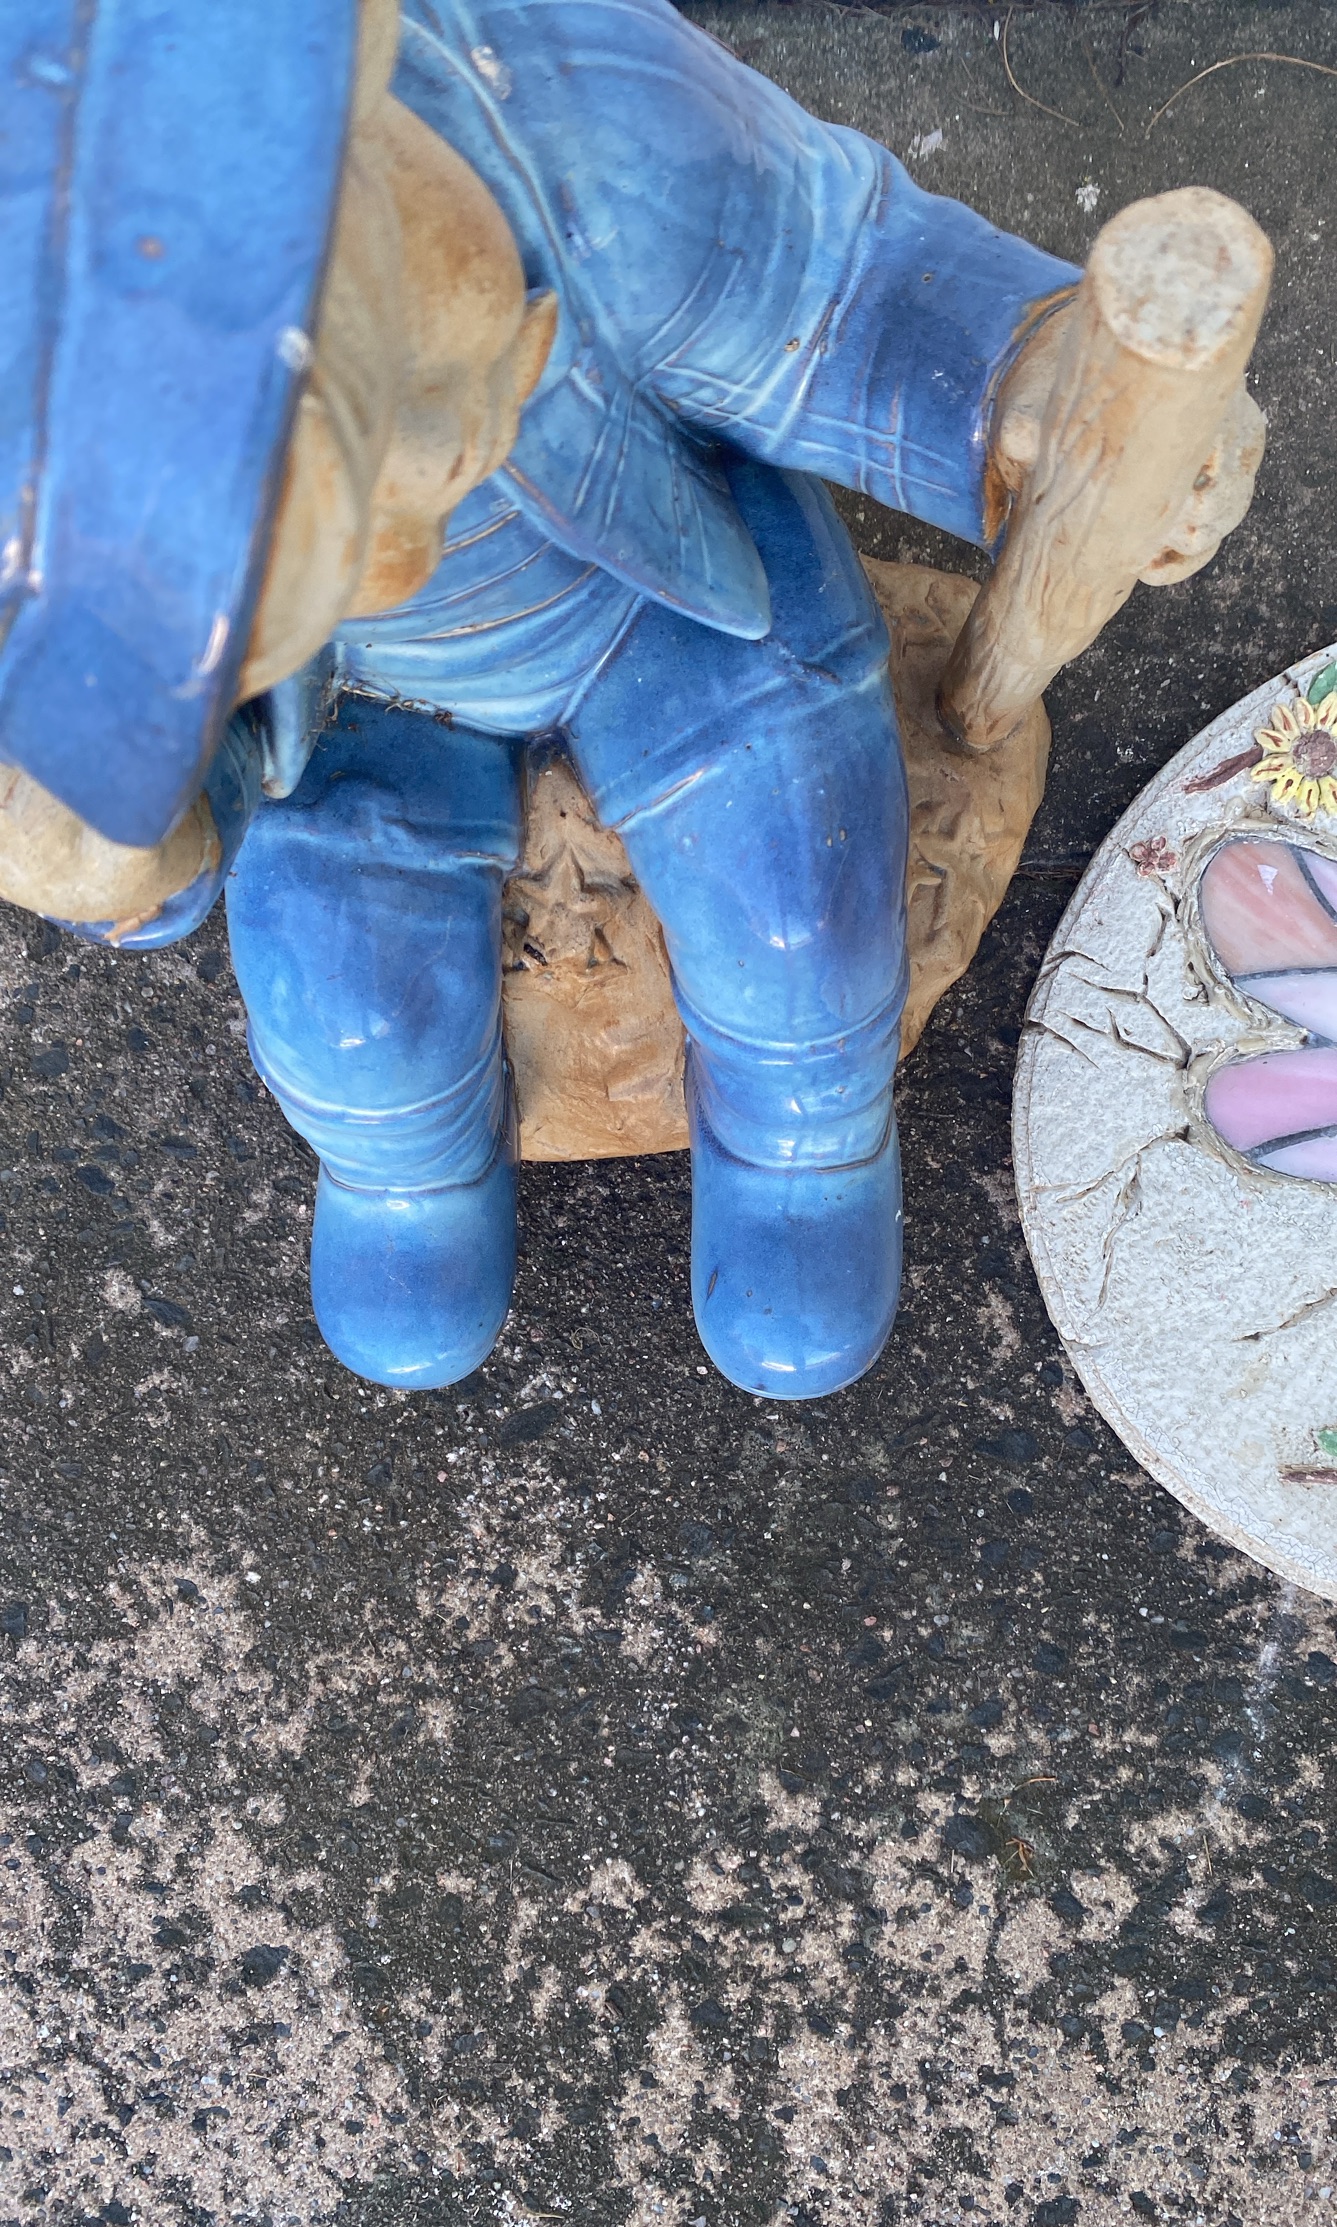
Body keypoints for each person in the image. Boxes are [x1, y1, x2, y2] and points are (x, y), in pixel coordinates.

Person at [0, 0, 1261, 1397]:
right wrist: (120, 851)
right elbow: (154, 784)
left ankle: (801, 1134)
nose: (412, 536)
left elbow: (847, 289)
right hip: (354, 704)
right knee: (343, 1004)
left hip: (672, 594)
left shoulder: (585, 115)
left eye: (411, 419)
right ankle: (405, 1162)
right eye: (356, 541)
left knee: (799, 907)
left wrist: (1038, 390)